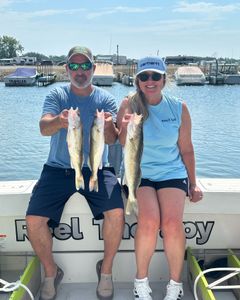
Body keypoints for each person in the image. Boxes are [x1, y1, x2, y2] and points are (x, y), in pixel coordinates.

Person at [26, 45, 124, 300]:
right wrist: (60, 120)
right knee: (33, 220)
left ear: (93, 68)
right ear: (67, 69)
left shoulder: (105, 99)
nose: (80, 71)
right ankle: (51, 272)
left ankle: (106, 271)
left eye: (85, 66)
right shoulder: (57, 94)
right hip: (58, 167)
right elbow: (43, 128)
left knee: (116, 213)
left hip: (99, 168)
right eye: (75, 66)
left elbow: (113, 140)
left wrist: (108, 127)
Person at [117, 56, 203, 300]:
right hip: (140, 174)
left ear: (165, 79)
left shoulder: (179, 108)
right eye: (144, 77)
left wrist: (193, 184)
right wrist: (124, 127)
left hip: (172, 174)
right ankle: (140, 283)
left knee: (172, 224)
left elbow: (186, 149)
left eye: (156, 76)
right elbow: (122, 143)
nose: (150, 81)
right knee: (149, 221)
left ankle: (174, 286)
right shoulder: (128, 104)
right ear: (137, 81)